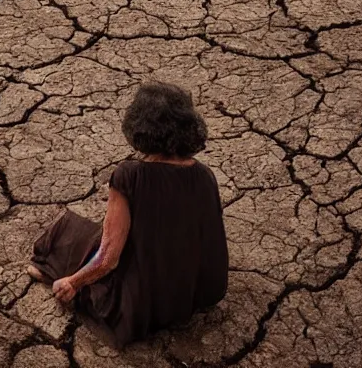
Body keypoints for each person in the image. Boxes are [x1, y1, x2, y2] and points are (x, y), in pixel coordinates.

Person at [28, 81, 229, 348]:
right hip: (196, 293)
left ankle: (51, 270)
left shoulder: (130, 175)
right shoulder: (205, 175)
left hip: (143, 306)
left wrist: (73, 283)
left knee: (66, 232)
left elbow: (108, 259)